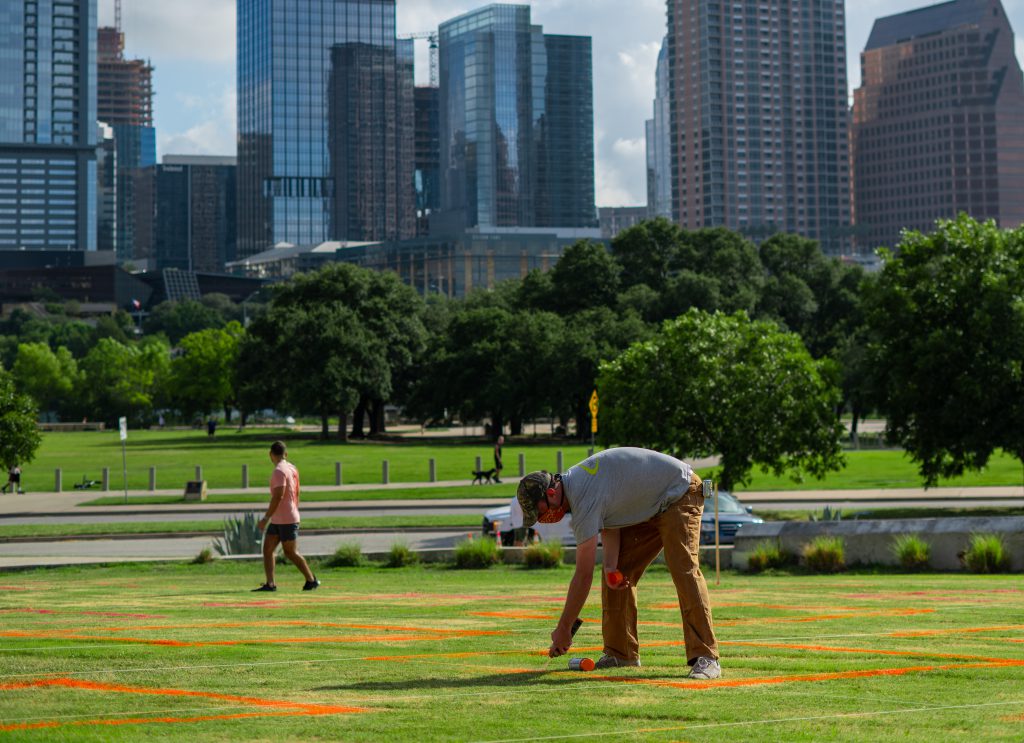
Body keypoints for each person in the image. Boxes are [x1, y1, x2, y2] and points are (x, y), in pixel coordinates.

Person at [517, 446, 721, 679]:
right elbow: (611, 521)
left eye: (539, 510)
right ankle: (621, 653)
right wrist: (612, 567)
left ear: (551, 493)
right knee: (615, 575)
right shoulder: (577, 487)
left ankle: (707, 657)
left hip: (680, 493)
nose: (543, 518)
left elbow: (583, 575)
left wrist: (564, 628)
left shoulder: (581, 495)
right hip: (652, 506)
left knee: (683, 569)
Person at [253, 441, 319, 592]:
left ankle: (311, 579)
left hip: (285, 519)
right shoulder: (292, 467)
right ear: (285, 454)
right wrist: (294, 508)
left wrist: (265, 518)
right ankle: (270, 584)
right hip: (281, 517)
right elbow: (297, 491)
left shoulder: (278, 471)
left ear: (270, 455)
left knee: (290, 552)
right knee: (268, 550)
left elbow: (278, 496)